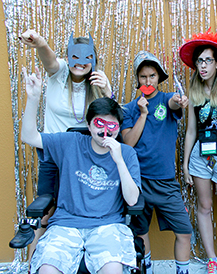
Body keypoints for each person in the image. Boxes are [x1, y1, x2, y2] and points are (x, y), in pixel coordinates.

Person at [21, 68, 141, 274]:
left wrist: (119, 160)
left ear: (119, 127)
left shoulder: (127, 154)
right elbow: (29, 137)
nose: (105, 131)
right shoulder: (70, 143)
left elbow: (132, 200)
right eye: (99, 124)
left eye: (112, 125)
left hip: (108, 225)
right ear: (89, 124)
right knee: (47, 269)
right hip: (66, 225)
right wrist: (33, 99)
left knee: (112, 270)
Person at [18, 30, 112, 255]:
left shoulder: (98, 82)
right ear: (68, 56)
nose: (79, 63)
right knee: (45, 213)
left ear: (93, 60)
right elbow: (48, 58)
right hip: (53, 155)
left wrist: (108, 93)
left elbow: (108, 123)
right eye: (75, 57)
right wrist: (40, 42)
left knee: (83, 213)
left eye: (86, 58)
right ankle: (35, 265)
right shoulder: (59, 71)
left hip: (85, 158)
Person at [121, 51, 192, 274]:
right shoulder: (129, 109)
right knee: (139, 232)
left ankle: (183, 270)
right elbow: (128, 143)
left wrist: (178, 101)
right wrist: (142, 114)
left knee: (184, 230)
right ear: (137, 79)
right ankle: (147, 268)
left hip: (165, 182)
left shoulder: (166, 98)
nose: (148, 81)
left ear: (159, 77)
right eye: (143, 76)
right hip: (138, 181)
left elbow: (173, 104)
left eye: (152, 75)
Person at [179, 30, 217, 274]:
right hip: (200, 159)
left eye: (207, 60)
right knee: (204, 208)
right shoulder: (193, 93)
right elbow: (191, 131)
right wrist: (184, 164)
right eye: (199, 61)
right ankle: (212, 258)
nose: (202, 66)